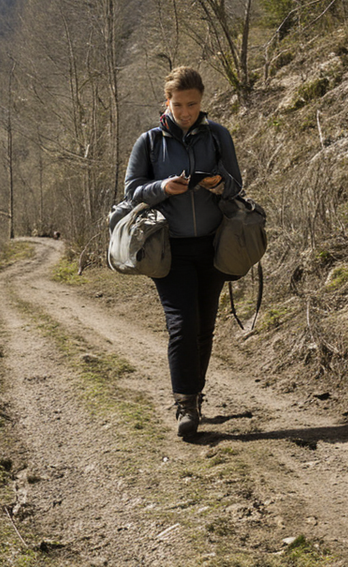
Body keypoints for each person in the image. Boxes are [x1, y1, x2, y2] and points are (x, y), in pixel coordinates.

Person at [124, 67, 243, 438]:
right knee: (182, 325)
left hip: (212, 246)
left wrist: (219, 184)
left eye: (192, 104)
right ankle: (184, 406)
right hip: (169, 250)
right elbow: (132, 191)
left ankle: (195, 396)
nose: (186, 112)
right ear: (167, 102)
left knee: (204, 327)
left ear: (202, 101)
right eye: (178, 105)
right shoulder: (149, 141)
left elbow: (237, 186)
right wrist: (163, 187)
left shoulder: (219, 135)